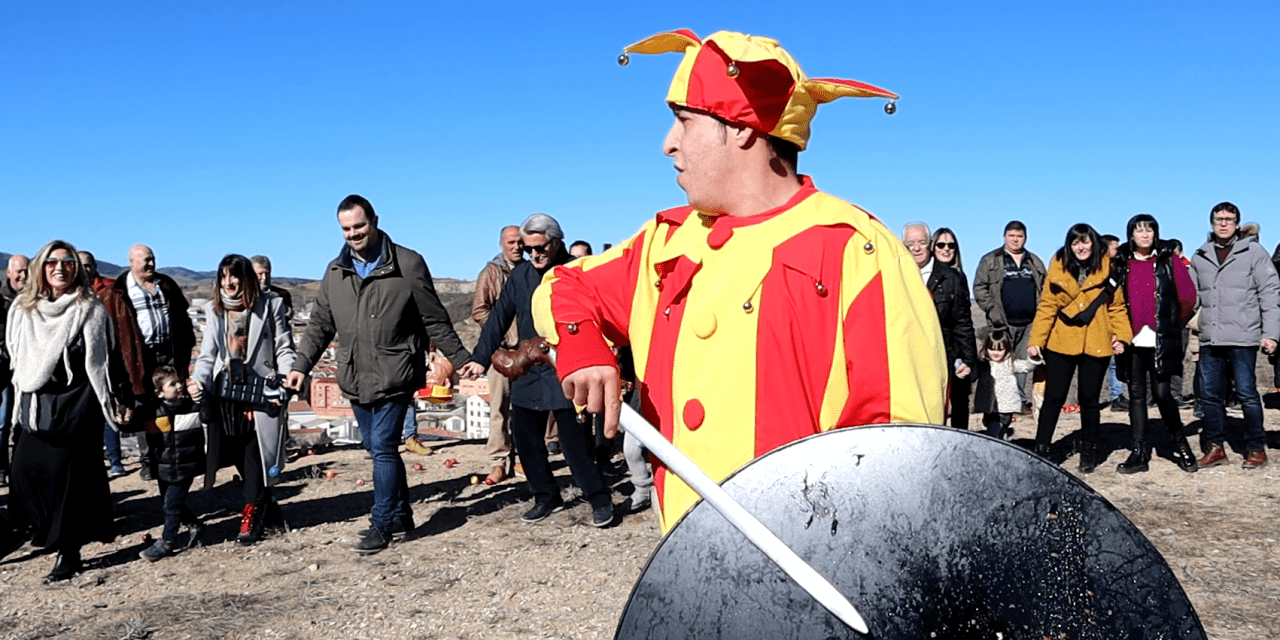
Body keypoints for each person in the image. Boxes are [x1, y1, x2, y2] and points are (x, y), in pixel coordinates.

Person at [530, 30, 947, 531]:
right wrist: (582, 346)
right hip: (683, 551)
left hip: (811, 562)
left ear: (744, 128)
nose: (668, 143)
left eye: (684, 120)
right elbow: (566, 286)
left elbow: (898, 440)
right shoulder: (664, 241)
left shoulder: (856, 247)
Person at [285, 194, 470, 553]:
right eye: (346, 229)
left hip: (395, 372)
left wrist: (461, 358)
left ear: (375, 220)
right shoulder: (335, 271)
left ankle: (381, 523)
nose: (353, 235)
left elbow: (434, 320)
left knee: (383, 447)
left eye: (359, 226)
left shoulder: (408, 264)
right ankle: (401, 515)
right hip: (355, 376)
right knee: (376, 447)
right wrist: (299, 367)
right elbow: (320, 325)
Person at [461, 214, 614, 526]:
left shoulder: (575, 271)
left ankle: (599, 498)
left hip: (566, 366)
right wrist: (480, 356)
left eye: (540, 248)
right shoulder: (519, 277)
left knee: (575, 445)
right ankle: (545, 496)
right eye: (528, 249)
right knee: (527, 440)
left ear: (556, 242)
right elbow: (497, 319)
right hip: (529, 365)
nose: (534, 255)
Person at [0, 241, 128, 582]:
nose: (60, 267)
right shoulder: (23, 310)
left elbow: (109, 359)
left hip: (77, 406)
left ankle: (68, 553)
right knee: (24, 476)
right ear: (41, 268)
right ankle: (29, 533)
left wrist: (125, 396)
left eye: (68, 262)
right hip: (35, 405)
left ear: (77, 269)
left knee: (69, 486)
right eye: (52, 262)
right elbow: (11, 358)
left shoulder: (91, 309)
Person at [190, 254, 295, 545]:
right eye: (223, 277)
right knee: (235, 453)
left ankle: (252, 514)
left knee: (253, 454)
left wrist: (285, 379)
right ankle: (268, 507)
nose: (228, 282)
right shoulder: (215, 310)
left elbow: (283, 348)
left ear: (246, 277)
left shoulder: (270, 306)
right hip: (225, 396)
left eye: (233, 276)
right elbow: (207, 353)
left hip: (260, 394)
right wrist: (199, 381)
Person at [1028, 223, 1131, 473]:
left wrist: (1123, 337)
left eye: (1085, 242)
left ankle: (1089, 452)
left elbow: (1116, 307)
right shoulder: (1059, 268)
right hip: (1061, 340)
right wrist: (1036, 341)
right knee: (1054, 397)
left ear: (1094, 243)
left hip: (1096, 340)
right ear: (1069, 246)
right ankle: (1041, 449)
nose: (1081, 247)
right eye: (1075, 243)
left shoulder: (1108, 269)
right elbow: (1047, 307)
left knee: (1090, 400)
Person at [1189, 202, 1280, 470]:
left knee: (1247, 393)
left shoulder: (1254, 252)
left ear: (1237, 224)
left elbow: (1271, 294)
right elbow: (1190, 298)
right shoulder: (1200, 256)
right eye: (1219, 219)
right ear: (1212, 223)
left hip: (1243, 336)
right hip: (1211, 337)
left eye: (1229, 219)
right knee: (1209, 395)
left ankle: (1255, 447)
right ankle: (1215, 447)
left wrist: (1271, 334)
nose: (1224, 223)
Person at [101, 244, 196, 481]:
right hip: (140, 357)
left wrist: (186, 345)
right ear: (132, 262)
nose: (151, 264)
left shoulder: (166, 285)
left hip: (168, 354)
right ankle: (149, 460)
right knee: (146, 406)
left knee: (172, 403)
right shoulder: (119, 293)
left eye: (153, 259)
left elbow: (182, 318)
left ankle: (172, 455)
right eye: (146, 260)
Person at [1111, 215, 1198, 474]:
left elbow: (1188, 297)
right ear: (1131, 235)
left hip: (1160, 337)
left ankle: (1180, 443)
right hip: (1132, 338)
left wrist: (1172, 324)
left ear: (1156, 234)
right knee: (1137, 395)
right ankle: (1139, 452)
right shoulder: (1121, 263)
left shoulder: (1169, 260)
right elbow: (1113, 300)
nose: (1145, 235)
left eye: (1149, 230)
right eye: (1139, 231)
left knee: (1162, 393)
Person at [906, 223, 975, 429]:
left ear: (929, 245)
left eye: (921, 243)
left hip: (945, 352)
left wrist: (968, 358)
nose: (916, 248)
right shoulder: (898, 275)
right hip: (911, 353)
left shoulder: (951, 278)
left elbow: (962, 322)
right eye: (911, 244)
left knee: (954, 404)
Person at [469, 225, 524, 483]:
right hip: (500, 351)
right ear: (502, 244)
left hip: (527, 352)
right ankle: (498, 461)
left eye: (520, 242)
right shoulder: (491, 273)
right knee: (499, 407)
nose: (516, 247)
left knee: (526, 408)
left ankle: (525, 458)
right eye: (511, 242)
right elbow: (479, 310)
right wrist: (502, 334)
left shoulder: (528, 271)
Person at [974, 221, 1047, 413]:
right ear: (1004, 237)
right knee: (999, 363)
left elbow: (1045, 289)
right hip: (1000, 324)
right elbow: (979, 287)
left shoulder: (1034, 261)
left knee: (1022, 364)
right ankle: (996, 403)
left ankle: (1020, 402)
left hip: (1030, 323)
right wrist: (992, 309)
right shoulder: (990, 260)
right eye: (1012, 236)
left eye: (1019, 236)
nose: (1015, 240)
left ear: (1025, 238)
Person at [138, 365, 205, 560]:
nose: (178, 386)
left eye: (179, 382)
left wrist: (202, 397)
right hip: (163, 466)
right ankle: (195, 525)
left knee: (172, 505)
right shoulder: (152, 411)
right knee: (170, 502)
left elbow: (209, 415)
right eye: (172, 384)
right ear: (159, 392)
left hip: (186, 465)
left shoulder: (191, 406)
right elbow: (131, 423)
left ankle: (167, 542)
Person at [78, 251, 128, 478]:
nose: (85, 269)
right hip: (81, 360)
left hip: (107, 355)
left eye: (88, 265)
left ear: (95, 266)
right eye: (80, 265)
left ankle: (115, 459)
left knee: (108, 408)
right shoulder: (71, 291)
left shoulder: (110, 288)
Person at [972, 330, 1037, 439]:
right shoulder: (983, 363)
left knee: (999, 426)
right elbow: (973, 375)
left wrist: (1034, 358)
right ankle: (999, 440)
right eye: (992, 349)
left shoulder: (1010, 363)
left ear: (1006, 349)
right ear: (986, 348)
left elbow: (1027, 367)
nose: (995, 353)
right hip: (990, 405)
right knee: (991, 426)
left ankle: (998, 442)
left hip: (1006, 406)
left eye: (1000, 349)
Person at [0, 254, 27, 487]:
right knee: (2, 421)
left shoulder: (36, 299)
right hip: (2, 368)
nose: (23, 276)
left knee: (23, 420)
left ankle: (20, 467)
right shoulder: (1, 299)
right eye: (19, 271)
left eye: (27, 271)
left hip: (27, 368)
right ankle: (1, 467)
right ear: (9, 273)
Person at [1100, 234, 1129, 412]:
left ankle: (1118, 395)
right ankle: (1116, 397)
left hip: (1118, 318)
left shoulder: (1118, 267)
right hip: (1104, 320)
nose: (1117, 252)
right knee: (1111, 362)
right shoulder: (1100, 271)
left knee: (1117, 361)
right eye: (1114, 248)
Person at [250, 255, 293, 322]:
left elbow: (287, 319)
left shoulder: (283, 294)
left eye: (267, 273)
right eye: (260, 274)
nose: (264, 277)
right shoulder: (244, 295)